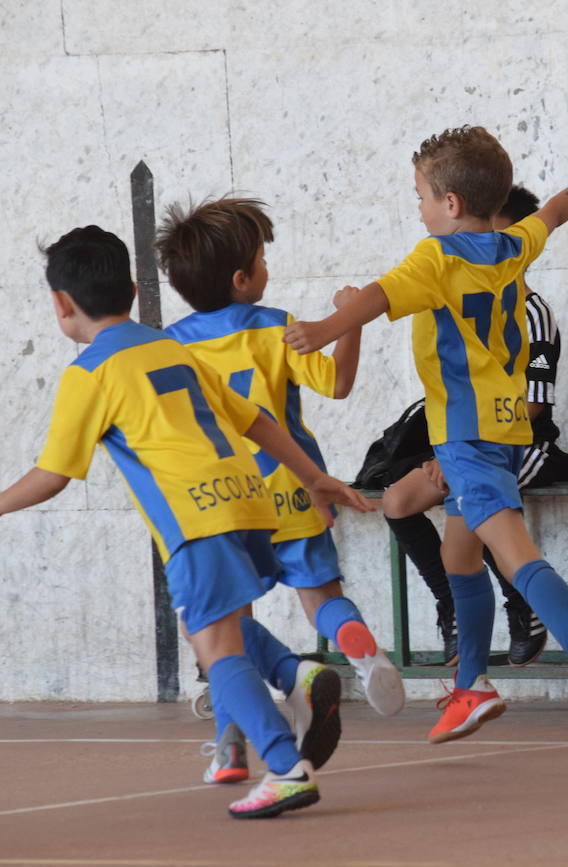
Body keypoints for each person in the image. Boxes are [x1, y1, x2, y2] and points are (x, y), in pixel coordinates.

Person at [0, 226, 373, 817]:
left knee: (216, 648)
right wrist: (313, 477)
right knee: (214, 627)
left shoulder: (90, 373)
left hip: (197, 518)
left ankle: (285, 766)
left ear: (60, 304)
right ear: (133, 290)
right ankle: (296, 675)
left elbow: (54, 473)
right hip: (250, 504)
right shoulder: (171, 348)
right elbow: (257, 421)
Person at [283, 126, 568, 750]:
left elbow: (374, 298)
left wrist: (325, 323)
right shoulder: (511, 244)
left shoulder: (436, 258)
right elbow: (558, 209)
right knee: (459, 557)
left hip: (468, 438)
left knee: (515, 554)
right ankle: (472, 685)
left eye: (420, 195)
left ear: (449, 205)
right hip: (500, 433)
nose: (418, 207)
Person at [155, 197, 406, 747]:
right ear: (243, 279)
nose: (268, 268)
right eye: (263, 259)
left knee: (229, 628)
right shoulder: (277, 329)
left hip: (224, 501)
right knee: (320, 598)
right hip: (295, 488)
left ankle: (230, 741)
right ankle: (361, 649)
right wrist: (351, 324)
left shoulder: (171, 347)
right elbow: (338, 384)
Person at [381, 184, 568, 667]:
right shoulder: (450, 284)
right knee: (397, 501)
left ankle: (522, 605)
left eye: (495, 231)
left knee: (477, 511)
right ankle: (451, 603)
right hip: (467, 440)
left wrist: (464, 458)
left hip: (520, 441)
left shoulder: (534, 311)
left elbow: (531, 406)